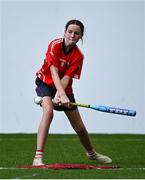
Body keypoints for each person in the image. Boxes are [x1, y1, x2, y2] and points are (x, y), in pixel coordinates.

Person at [33, 19, 112, 166]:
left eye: (76, 33)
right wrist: (59, 95)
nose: (72, 35)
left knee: (80, 127)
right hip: (45, 83)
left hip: (64, 88)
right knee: (48, 111)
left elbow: (67, 78)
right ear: (64, 32)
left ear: (81, 36)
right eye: (69, 32)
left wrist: (60, 95)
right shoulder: (54, 45)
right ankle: (38, 157)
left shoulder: (78, 56)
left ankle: (91, 154)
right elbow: (54, 72)